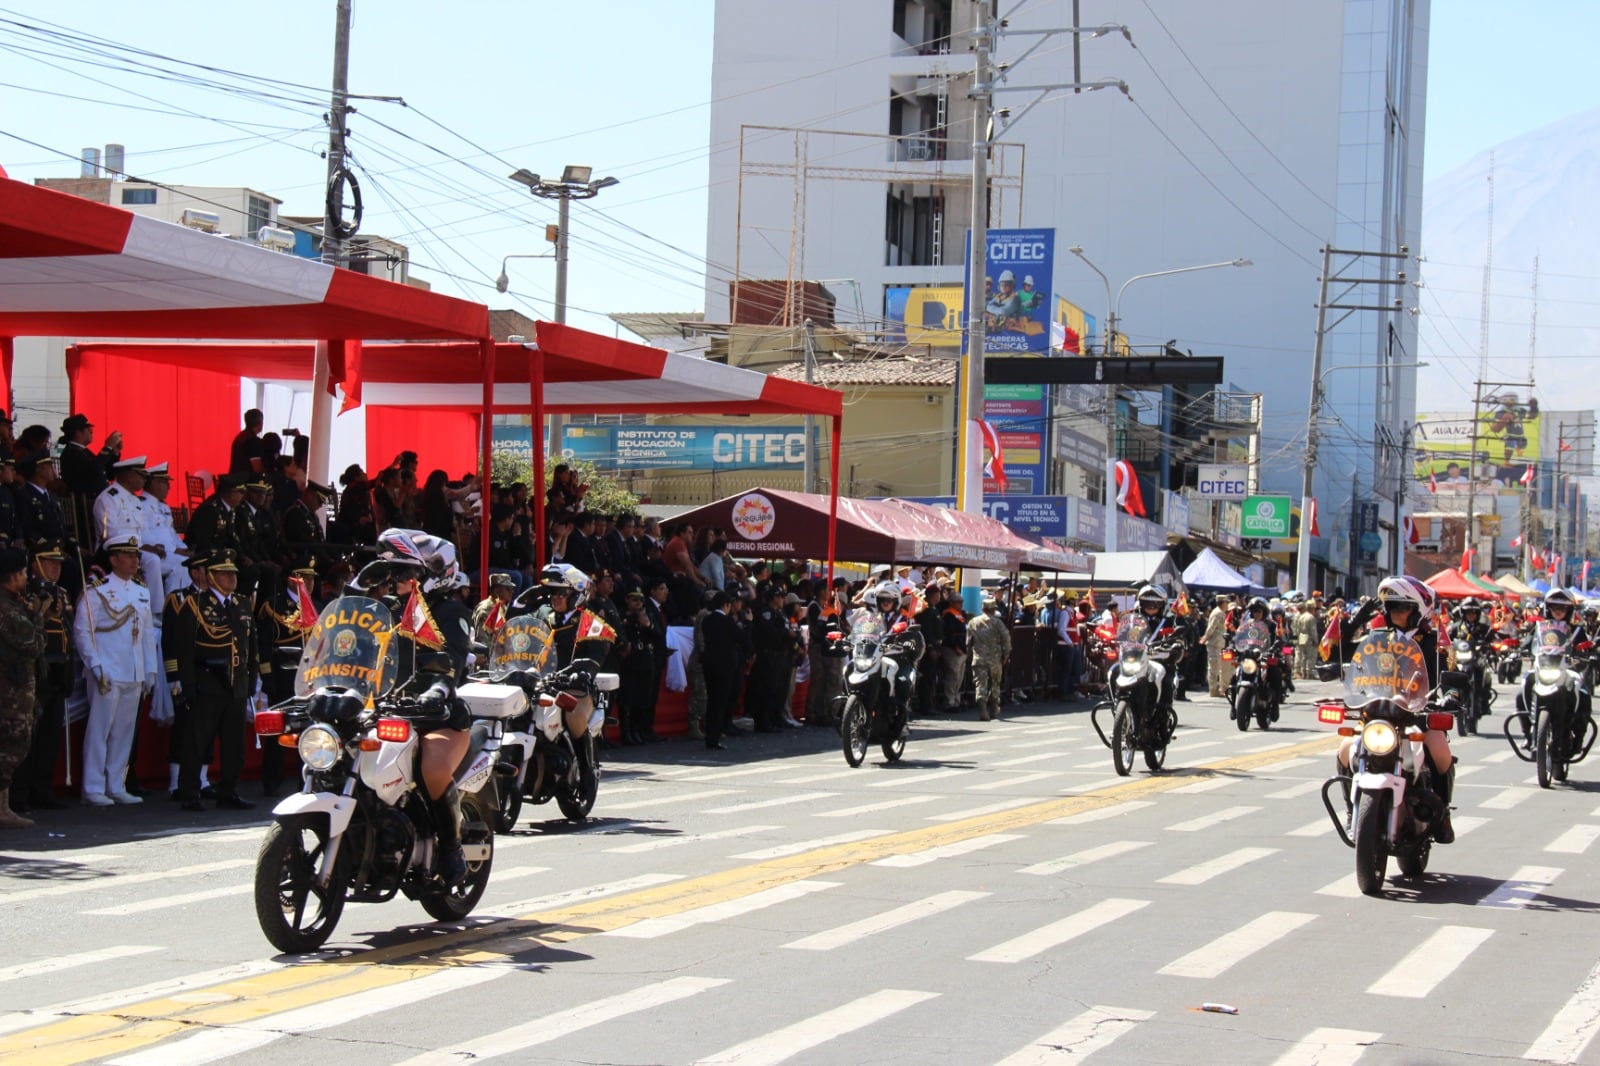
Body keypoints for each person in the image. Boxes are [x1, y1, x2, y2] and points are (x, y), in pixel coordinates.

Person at [376, 529, 474, 883]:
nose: (396, 580)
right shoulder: (383, 609)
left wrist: (437, 688)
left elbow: (453, 661)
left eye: (404, 573)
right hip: (383, 711)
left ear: (432, 574)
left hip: (435, 716)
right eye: (392, 573)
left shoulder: (451, 612)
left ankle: (451, 846)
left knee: (432, 769)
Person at [1335, 575, 1455, 843]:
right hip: (1376, 715)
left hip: (1416, 716)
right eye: (1391, 608)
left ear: (1419, 610)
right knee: (1344, 751)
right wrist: (1362, 614)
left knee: (1440, 752)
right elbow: (1339, 651)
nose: (1396, 613)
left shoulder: (1434, 643)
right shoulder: (1375, 638)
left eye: (1403, 607)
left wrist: (1452, 693)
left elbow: (1448, 676)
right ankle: (1351, 810)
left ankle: (1443, 813)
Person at [170, 549, 259, 811]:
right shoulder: (195, 603)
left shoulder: (242, 603)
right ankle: (189, 791)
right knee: (198, 740)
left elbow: (250, 646)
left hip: (236, 683)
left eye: (233, 573)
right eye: (224, 573)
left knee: (235, 744)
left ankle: (228, 790)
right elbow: (184, 649)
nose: (231, 578)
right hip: (208, 681)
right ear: (210, 576)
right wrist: (186, 685)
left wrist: (251, 679)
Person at [74, 530, 158, 806]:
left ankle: (115, 783)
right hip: (107, 669)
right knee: (100, 729)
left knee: (124, 731)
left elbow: (146, 634)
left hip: (133, 670)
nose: (134, 561)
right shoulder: (98, 591)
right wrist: (95, 665)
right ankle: (93, 786)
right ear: (114, 559)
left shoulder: (141, 591)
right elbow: (83, 631)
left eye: (136, 556)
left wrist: (149, 670)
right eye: (128, 556)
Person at [10, 540, 72, 815]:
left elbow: (68, 628)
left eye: (58, 563)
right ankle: (19, 794)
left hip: (59, 667)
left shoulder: (62, 592)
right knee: (28, 735)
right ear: (35, 565)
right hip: (36, 667)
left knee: (49, 735)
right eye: (49, 562)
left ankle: (42, 789)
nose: (55, 568)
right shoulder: (27, 591)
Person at [0, 548, 45, 828]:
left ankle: (3, 806)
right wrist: (39, 616)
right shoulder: (5, 608)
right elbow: (33, 644)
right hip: (9, 691)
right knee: (10, 745)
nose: (26, 578)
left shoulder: (13, 604)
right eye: (23, 573)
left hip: (16, 687)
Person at [57, 414, 121, 549]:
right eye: (87, 429)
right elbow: (93, 470)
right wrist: (107, 448)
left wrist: (114, 453)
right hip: (85, 506)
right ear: (78, 432)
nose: (91, 432)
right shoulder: (71, 453)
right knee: (94, 543)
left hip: (97, 502)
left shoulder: (84, 452)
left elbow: (109, 473)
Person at [700, 591, 742, 750]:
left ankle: (710, 735)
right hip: (724, 665)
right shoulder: (726, 621)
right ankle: (714, 737)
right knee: (720, 701)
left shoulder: (707, 620)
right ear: (725, 605)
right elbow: (740, 636)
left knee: (712, 700)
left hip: (709, 663)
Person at [967, 596, 1012, 721]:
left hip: (979, 658)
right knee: (995, 684)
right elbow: (1006, 638)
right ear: (993, 609)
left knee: (980, 684)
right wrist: (1006, 653)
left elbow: (968, 642)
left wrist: (970, 655)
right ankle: (994, 708)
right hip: (995, 659)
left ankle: (982, 708)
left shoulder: (973, 622)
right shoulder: (997, 622)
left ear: (982, 608)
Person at [228, 409, 266, 477]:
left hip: (234, 480)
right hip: (246, 482)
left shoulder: (240, 437)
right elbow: (257, 469)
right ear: (260, 422)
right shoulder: (253, 441)